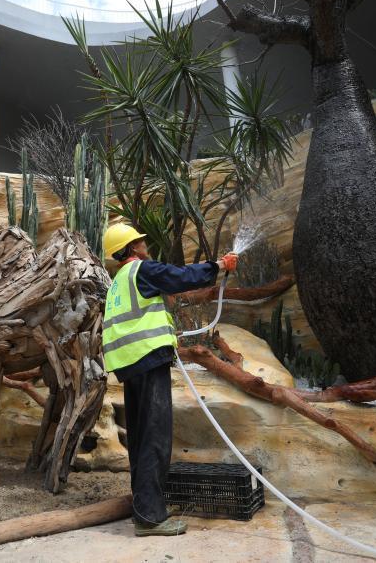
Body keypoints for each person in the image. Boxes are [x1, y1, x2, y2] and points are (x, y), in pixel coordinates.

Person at [101, 223, 237, 537]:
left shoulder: (118, 281)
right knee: (155, 436)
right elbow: (180, 278)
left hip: (129, 363)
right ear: (132, 248)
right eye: (140, 242)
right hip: (148, 359)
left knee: (140, 437)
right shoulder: (142, 271)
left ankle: (144, 507)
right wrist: (218, 266)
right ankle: (150, 518)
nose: (144, 245)